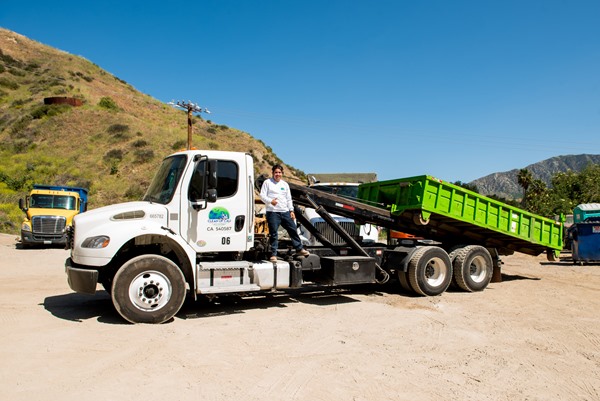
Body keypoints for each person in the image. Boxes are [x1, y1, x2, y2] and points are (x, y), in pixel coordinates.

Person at [260, 164, 310, 262]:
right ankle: (273, 254)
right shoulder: (267, 182)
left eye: (279, 172)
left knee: (292, 229)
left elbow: (288, 199)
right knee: (274, 233)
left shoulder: (285, 184)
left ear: (282, 173)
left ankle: (299, 249)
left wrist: (291, 210)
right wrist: (270, 201)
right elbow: (262, 195)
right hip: (273, 212)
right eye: (276, 172)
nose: (277, 174)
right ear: (272, 173)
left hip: (285, 211)